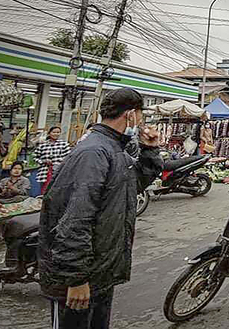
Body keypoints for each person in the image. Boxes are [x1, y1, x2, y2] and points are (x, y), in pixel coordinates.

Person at [38, 88, 163, 329]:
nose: (141, 122)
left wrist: (149, 150)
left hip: (100, 273)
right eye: (140, 115)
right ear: (130, 115)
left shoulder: (115, 148)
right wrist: (76, 279)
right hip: (79, 281)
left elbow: (132, 186)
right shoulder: (95, 152)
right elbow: (74, 219)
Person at [34, 126, 70, 194]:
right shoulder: (43, 145)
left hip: (59, 171)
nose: (56, 134)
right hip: (44, 172)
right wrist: (43, 161)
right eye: (54, 132)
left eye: (58, 132)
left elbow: (68, 157)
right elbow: (35, 157)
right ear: (49, 133)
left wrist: (58, 161)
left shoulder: (64, 144)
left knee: (56, 191)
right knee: (44, 191)